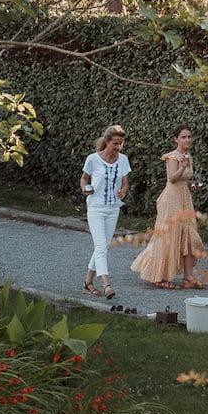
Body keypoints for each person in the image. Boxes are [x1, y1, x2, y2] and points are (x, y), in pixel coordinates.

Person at [129, 125, 206, 289]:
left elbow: (183, 179)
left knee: (188, 235)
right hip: (171, 200)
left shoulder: (187, 156)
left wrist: (191, 183)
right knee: (169, 236)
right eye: (183, 137)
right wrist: (183, 166)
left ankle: (188, 277)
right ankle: (159, 276)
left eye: (189, 137)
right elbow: (171, 179)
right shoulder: (173, 157)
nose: (187, 140)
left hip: (184, 198)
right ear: (176, 139)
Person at [81, 124, 130, 300]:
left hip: (113, 208)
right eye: (115, 143)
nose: (118, 147)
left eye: (121, 144)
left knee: (103, 247)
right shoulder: (93, 159)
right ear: (107, 141)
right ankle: (107, 284)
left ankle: (88, 283)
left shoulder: (123, 159)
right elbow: (84, 178)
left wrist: (123, 190)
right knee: (101, 246)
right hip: (95, 207)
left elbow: (125, 182)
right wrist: (86, 188)